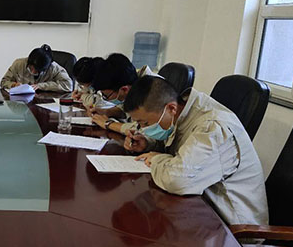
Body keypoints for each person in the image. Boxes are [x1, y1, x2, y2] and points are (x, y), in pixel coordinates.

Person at [122, 75, 268, 227]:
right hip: (200, 209)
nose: (143, 129)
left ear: (171, 108)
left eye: (145, 123)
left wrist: (155, 158)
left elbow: (177, 180)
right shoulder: (181, 113)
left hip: (233, 228)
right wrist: (147, 144)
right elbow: (176, 145)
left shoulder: (212, 128)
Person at [90, 53, 154, 133]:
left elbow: (145, 131)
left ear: (124, 89)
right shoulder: (133, 83)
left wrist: (108, 124)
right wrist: (106, 112)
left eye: (106, 96)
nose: (105, 99)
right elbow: (126, 111)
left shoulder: (151, 92)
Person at [0, 44, 72, 92]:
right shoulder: (19, 64)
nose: (33, 72)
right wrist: (14, 85)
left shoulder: (53, 68)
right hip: (23, 103)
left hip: (45, 102)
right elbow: (3, 82)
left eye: (37, 70)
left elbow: (68, 85)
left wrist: (41, 86)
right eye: (31, 68)